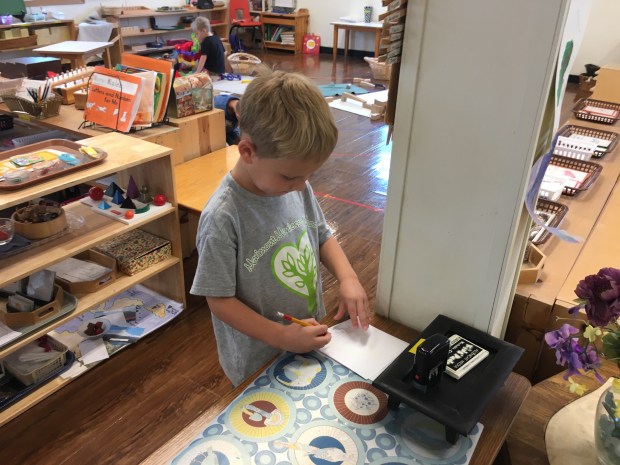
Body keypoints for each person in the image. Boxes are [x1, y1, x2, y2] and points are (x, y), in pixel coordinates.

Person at [191, 66, 370, 386]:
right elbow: (218, 300)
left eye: (308, 176)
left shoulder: (295, 186)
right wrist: (280, 336)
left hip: (303, 337)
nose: (301, 186)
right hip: (258, 359)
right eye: (290, 177)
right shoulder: (223, 217)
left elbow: (320, 233)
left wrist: (348, 277)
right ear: (248, 152)